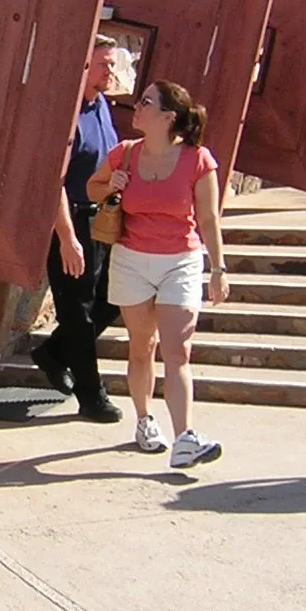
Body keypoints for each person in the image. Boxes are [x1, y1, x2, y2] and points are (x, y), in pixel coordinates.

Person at [87, 79, 227, 468]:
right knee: (141, 346)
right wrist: (109, 185)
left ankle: (185, 437)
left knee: (177, 350)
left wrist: (218, 268)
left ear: (167, 117)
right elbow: (90, 188)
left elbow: (209, 219)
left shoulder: (198, 159)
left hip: (180, 260)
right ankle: (145, 421)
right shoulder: (125, 154)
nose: (137, 105)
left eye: (146, 102)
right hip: (132, 259)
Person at [29, 35, 125, 422]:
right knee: (78, 312)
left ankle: (53, 353)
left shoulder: (100, 104)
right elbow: (53, 180)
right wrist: (67, 238)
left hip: (103, 220)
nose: (110, 71)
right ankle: (92, 396)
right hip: (70, 224)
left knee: (114, 298)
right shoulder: (63, 114)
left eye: (113, 64)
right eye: (104, 64)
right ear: (83, 66)